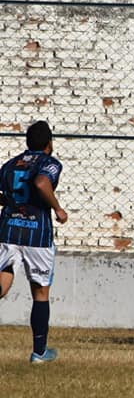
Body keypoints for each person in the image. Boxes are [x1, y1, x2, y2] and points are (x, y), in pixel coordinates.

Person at [0, 121, 68, 364]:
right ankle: (39, 352)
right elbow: (41, 183)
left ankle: (40, 352)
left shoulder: (11, 164)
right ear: (49, 143)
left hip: (8, 231)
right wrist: (58, 208)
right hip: (36, 235)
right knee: (40, 292)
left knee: (3, 280)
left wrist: (9, 202)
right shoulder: (49, 163)